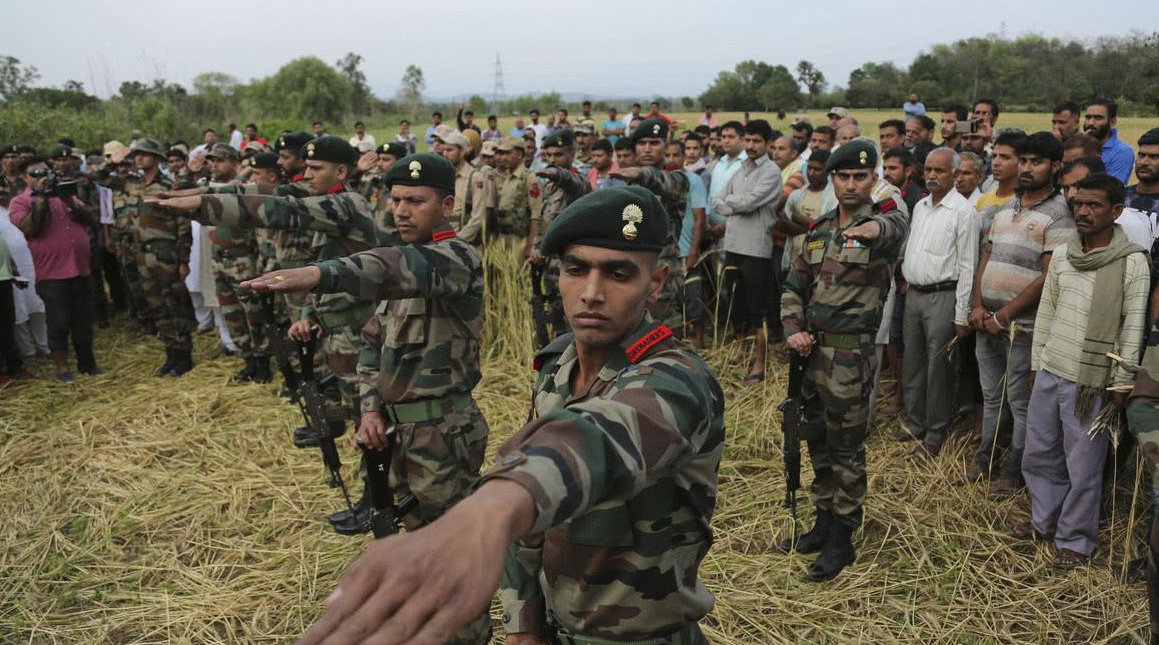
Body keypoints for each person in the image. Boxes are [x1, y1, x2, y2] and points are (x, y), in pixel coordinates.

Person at [292, 184, 724, 645]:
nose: (592, 293)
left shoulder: (675, 379)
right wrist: (522, 623)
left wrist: (487, 511)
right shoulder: (558, 367)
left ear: (655, 282)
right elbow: (536, 527)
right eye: (576, 270)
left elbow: (597, 437)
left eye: (619, 275)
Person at [779, 139, 908, 581]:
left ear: (873, 178)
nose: (851, 184)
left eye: (859, 176)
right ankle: (822, 521)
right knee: (816, 439)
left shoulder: (884, 222)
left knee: (846, 447)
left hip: (852, 355)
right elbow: (794, 286)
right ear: (833, 179)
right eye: (843, 176)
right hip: (811, 353)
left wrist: (872, 230)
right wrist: (793, 327)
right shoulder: (819, 230)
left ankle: (843, 538)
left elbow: (893, 227)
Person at [1017, 173, 1149, 569]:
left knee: (1083, 465)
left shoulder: (1132, 263)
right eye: (1079, 204)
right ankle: (1044, 519)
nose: (1084, 211)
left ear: (1116, 211)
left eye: (1094, 205)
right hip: (1052, 368)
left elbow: (1133, 325)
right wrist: (1037, 363)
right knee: (1040, 453)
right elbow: (1048, 313)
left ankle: (1075, 540)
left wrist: (1122, 382)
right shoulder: (1063, 255)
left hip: (1092, 382)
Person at [967, 131, 1074, 497]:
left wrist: (1005, 316)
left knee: (1020, 403)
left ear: (1055, 166)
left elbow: (1048, 277)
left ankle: (1014, 473)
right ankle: (985, 460)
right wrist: (978, 306)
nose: (1027, 169)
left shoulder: (1060, 216)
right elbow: (987, 257)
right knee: (992, 397)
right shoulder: (1004, 209)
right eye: (1023, 161)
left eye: (1036, 162)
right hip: (987, 322)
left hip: (1021, 329)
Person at [897, 147, 980, 459]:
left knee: (939, 368)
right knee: (913, 363)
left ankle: (935, 431)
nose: (932, 176)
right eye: (928, 169)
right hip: (915, 294)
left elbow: (969, 266)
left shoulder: (963, 212)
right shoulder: (920, 206)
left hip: (944, 297)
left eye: (940, 171)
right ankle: (915, 423)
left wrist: (961, 314)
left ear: (954, 175)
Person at [100, 139, 195, 375]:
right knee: (156, 306)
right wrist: (113, 162)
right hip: (141, 254)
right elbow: (100, 179)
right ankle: (171, 353)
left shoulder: (167, 185)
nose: (139, 158)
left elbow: (182, 224)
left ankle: (184, 355)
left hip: (166, 253)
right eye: (136, 155)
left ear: (156, 158)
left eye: (144, 155)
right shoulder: (131, 183)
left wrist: (184, 260)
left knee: (174, 305)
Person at [9, 156, 100, 381]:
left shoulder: (64, 195)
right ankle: (62, 368)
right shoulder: (20, 202)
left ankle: (87, 364)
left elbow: (91, 218)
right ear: (24, 178)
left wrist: (68, 200)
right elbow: (30, 229)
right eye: (35, 174)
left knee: (84, 321)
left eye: (44, 172)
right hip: (52, 274)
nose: (42, 177)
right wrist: (41, 199)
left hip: (80, 268)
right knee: (58, 322)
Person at [713, 119, 782, 384]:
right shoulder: (741, 168)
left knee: (758, 308)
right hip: (732, 245)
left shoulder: (771, 171)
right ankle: (741, 350)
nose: (752, 146)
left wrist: (730, 204)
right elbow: (718, 199)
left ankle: (760, 362)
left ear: (767, 144)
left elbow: (751, 202)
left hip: (755, 248)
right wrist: (734, 204)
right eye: (749, 141)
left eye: (757, 142)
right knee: (736, 303)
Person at [608, 118, 690, 326]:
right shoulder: (625, 181)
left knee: (664, 335)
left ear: (665, 146)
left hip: (662, 271)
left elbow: (662, 181)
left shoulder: (677, 178)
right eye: (642, 143)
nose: (647, 149)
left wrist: (641, 173)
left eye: (654, 143)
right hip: (628, 266)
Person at [204, 143, 271, 383]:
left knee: (253, 314)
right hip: (218, 259)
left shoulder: (246, 189)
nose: (214, 165)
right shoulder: (209, 188)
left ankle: (263, 361)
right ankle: (248, 360)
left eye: (220, 160)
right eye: (211, 160)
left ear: (234, 164)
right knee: (231, 313)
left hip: (242, 259)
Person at [529, 129, 592, 336]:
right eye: (550, 155)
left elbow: (570, 180)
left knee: (573, 320)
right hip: (550, 266)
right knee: (556, 321)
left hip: (573, 265)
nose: (553, 160)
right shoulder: (550, 188)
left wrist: (556, 173)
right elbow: (544, 223)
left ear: (573, 154)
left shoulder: (579, 183)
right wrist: (538, 248)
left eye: (559, 155)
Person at [493, 138, 543, 256]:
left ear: (520, 154)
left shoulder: (529, 179)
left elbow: (536, 214)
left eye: (508, 153)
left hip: (520, 241)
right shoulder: (505, 177)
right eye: (502, 153)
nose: (504, 157)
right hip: (503, 239)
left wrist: (531, 245)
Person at [975, 130, 1025, 238]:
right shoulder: (983, 199)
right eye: (994, 156)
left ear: (1022, 161)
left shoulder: (1025, 202)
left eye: (1005, 157)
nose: (996, 163)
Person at [1082, 98, 1134, 184]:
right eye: (1088, 117)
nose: (1091, 123)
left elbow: (1110, 189)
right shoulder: (1077, 145)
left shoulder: (1121, 152)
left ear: (1112, 122)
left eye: (1098, 118)